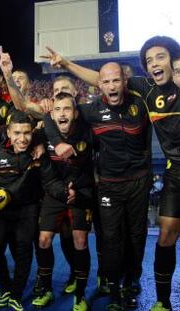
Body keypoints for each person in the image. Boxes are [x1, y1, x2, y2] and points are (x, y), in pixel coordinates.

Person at [43, 37, 180, 311]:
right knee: (135, 238)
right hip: (140, 180)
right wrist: (67, 64)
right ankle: (126, 290)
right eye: (149, 60)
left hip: (139, 182)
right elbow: (99, 78)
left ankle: (133, 282)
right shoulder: (144, 88)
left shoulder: (142, 94)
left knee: (138, 238)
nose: (154, 64)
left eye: (160, 58)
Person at [0, 110, 74, 311]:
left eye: (27, 133)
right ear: (9, 133)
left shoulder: (38, 154)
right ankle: (5, 288)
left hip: (27, 209)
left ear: (32, 133)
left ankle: (16, 294)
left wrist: (66, 192)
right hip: (0, 212)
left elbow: (51, 181)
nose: (22, 138)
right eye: (17, 133)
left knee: (24, 250)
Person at [34, 92, 94, 311]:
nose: (62, 113)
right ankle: (46, 289)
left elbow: (91, 171)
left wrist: (77, 192)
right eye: (57, 109)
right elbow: (47, 176)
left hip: (82, 192)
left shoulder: (88, 134)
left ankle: (80, 294)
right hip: (55, 192)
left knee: (80, 240)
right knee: (43, 240)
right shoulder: (42, 136)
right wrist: (62, 191)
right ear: (51, 114)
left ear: (75, 113)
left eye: (67, 109)